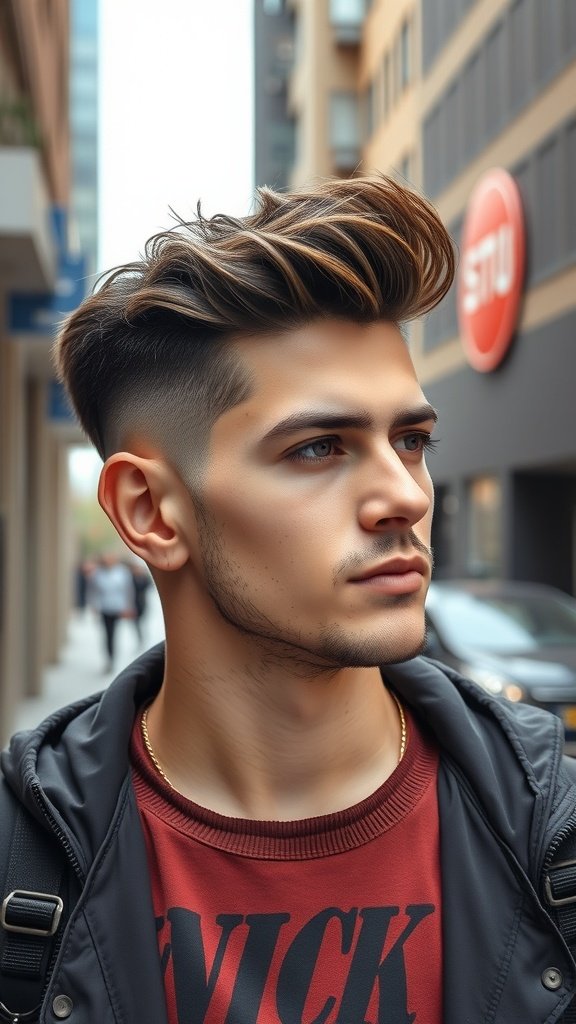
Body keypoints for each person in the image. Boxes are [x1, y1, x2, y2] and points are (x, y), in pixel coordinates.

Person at [2, 175, 576, 1024]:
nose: (407, 496)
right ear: (150, 512)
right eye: (318, 448)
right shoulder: (21, 865)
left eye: (411, 439)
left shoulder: (554, 839)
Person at [87, 551, 136, 671]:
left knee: (114, 634)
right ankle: (109, 658)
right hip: (104, 607)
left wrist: (128, 607)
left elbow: (128, 590)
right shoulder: (98, 573)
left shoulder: (123, 572)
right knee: (107, 634)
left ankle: (113, 657)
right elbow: (93, 591)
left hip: (118, 608)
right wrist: (94, 606)